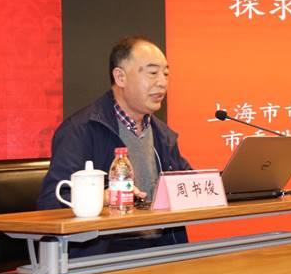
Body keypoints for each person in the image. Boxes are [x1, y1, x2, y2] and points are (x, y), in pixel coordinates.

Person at [38, 36, 190, 256]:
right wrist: (102, 197)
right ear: (120, 77)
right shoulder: (81, 130)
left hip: (162, 250)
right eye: (152, 72)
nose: (162, 82)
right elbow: (50, 202)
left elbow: (188, 186)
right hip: (104, 255)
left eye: (166, 74)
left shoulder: (163, 135)